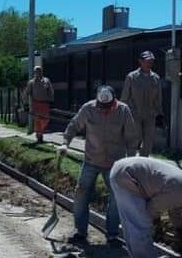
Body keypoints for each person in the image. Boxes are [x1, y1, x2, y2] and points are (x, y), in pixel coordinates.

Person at [58, 85, 138, 246]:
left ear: (114, 101)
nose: (104, 110)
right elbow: (74, 126)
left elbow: (131, 137)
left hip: (115, 164)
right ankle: (80, 232)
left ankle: (112, 234)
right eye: (101, 107)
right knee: (81, 193)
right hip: (91, 160)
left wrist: (130, 162)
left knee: (116, 198)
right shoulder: (88, 109)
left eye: (108, 107)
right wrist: (65, 143)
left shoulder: (123, 111)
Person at [120, 50, 164, 156]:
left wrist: (160, 113)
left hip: (150, 114)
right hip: (134, 114)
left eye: (151, 61)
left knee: (148, 141)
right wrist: (122, 113)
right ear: (140, 61)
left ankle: (143, 164)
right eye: (147, 61)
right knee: (134, 139)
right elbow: (125, 97)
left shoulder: (156, 78)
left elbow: (158, 98)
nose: (150, 64)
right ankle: (131, 162)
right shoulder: (132, 77)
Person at [23, 65, 55, 144]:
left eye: (39, 71)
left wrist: (52, 101)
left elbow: (51, 91)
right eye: (36, 71)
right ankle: (39, 137)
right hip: (36, 104)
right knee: (38, 121)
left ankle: (40, 132)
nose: (38, 72)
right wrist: (26, 104)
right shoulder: (31, 82)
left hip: (45, 104)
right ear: (34, 73)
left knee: (46, 120)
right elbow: (26, 93)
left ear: (42, 72)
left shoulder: (46, 81)